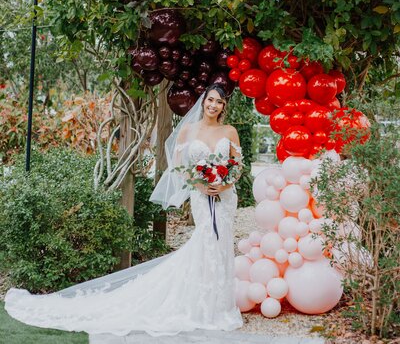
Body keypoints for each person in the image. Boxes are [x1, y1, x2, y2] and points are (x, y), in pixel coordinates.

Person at [5, 84, 244, 338]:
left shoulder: (229, 131)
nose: (213, 105)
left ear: (223, 106)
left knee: (222, 243)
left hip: (225, 197)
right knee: (207, 241)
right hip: (201, 195)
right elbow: (178, 166)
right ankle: (202, 306)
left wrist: (224, 183)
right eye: (210, 100)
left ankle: (220, 307)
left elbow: (237, 166)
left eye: (219, 102)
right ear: (203, 101)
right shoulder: (187, 131)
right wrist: (200, 184)